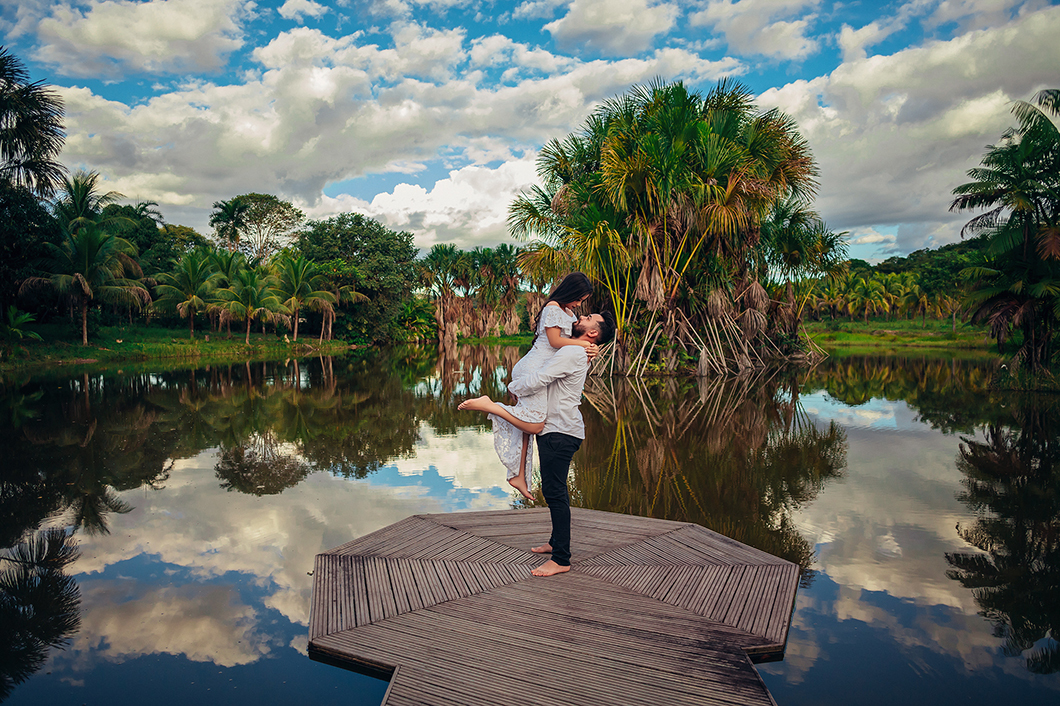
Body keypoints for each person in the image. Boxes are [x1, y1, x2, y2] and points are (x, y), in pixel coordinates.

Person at [458, 273, 598, 500]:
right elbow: (554, 342)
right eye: (579, 299)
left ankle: (519, 476)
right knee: (534, 425)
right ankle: (489, 405)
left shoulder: (570, 314)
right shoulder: (552, 307)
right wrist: (585, 343)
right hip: (533, 369)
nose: (579, 305)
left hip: (542, 369)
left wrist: (591, 348)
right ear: (571, 292)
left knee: (528, 423)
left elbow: (573, 343)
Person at [509, 311, 615, 577]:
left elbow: (540, 379)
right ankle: (555, 543)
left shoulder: (573, 353)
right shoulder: (576, 349)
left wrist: (514, 386)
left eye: (588, 317)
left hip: (560, 431)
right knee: (554, 489)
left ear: (593, 332)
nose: (581, 315)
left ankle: (561, 559)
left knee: (555, 492)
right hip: (560, 429)